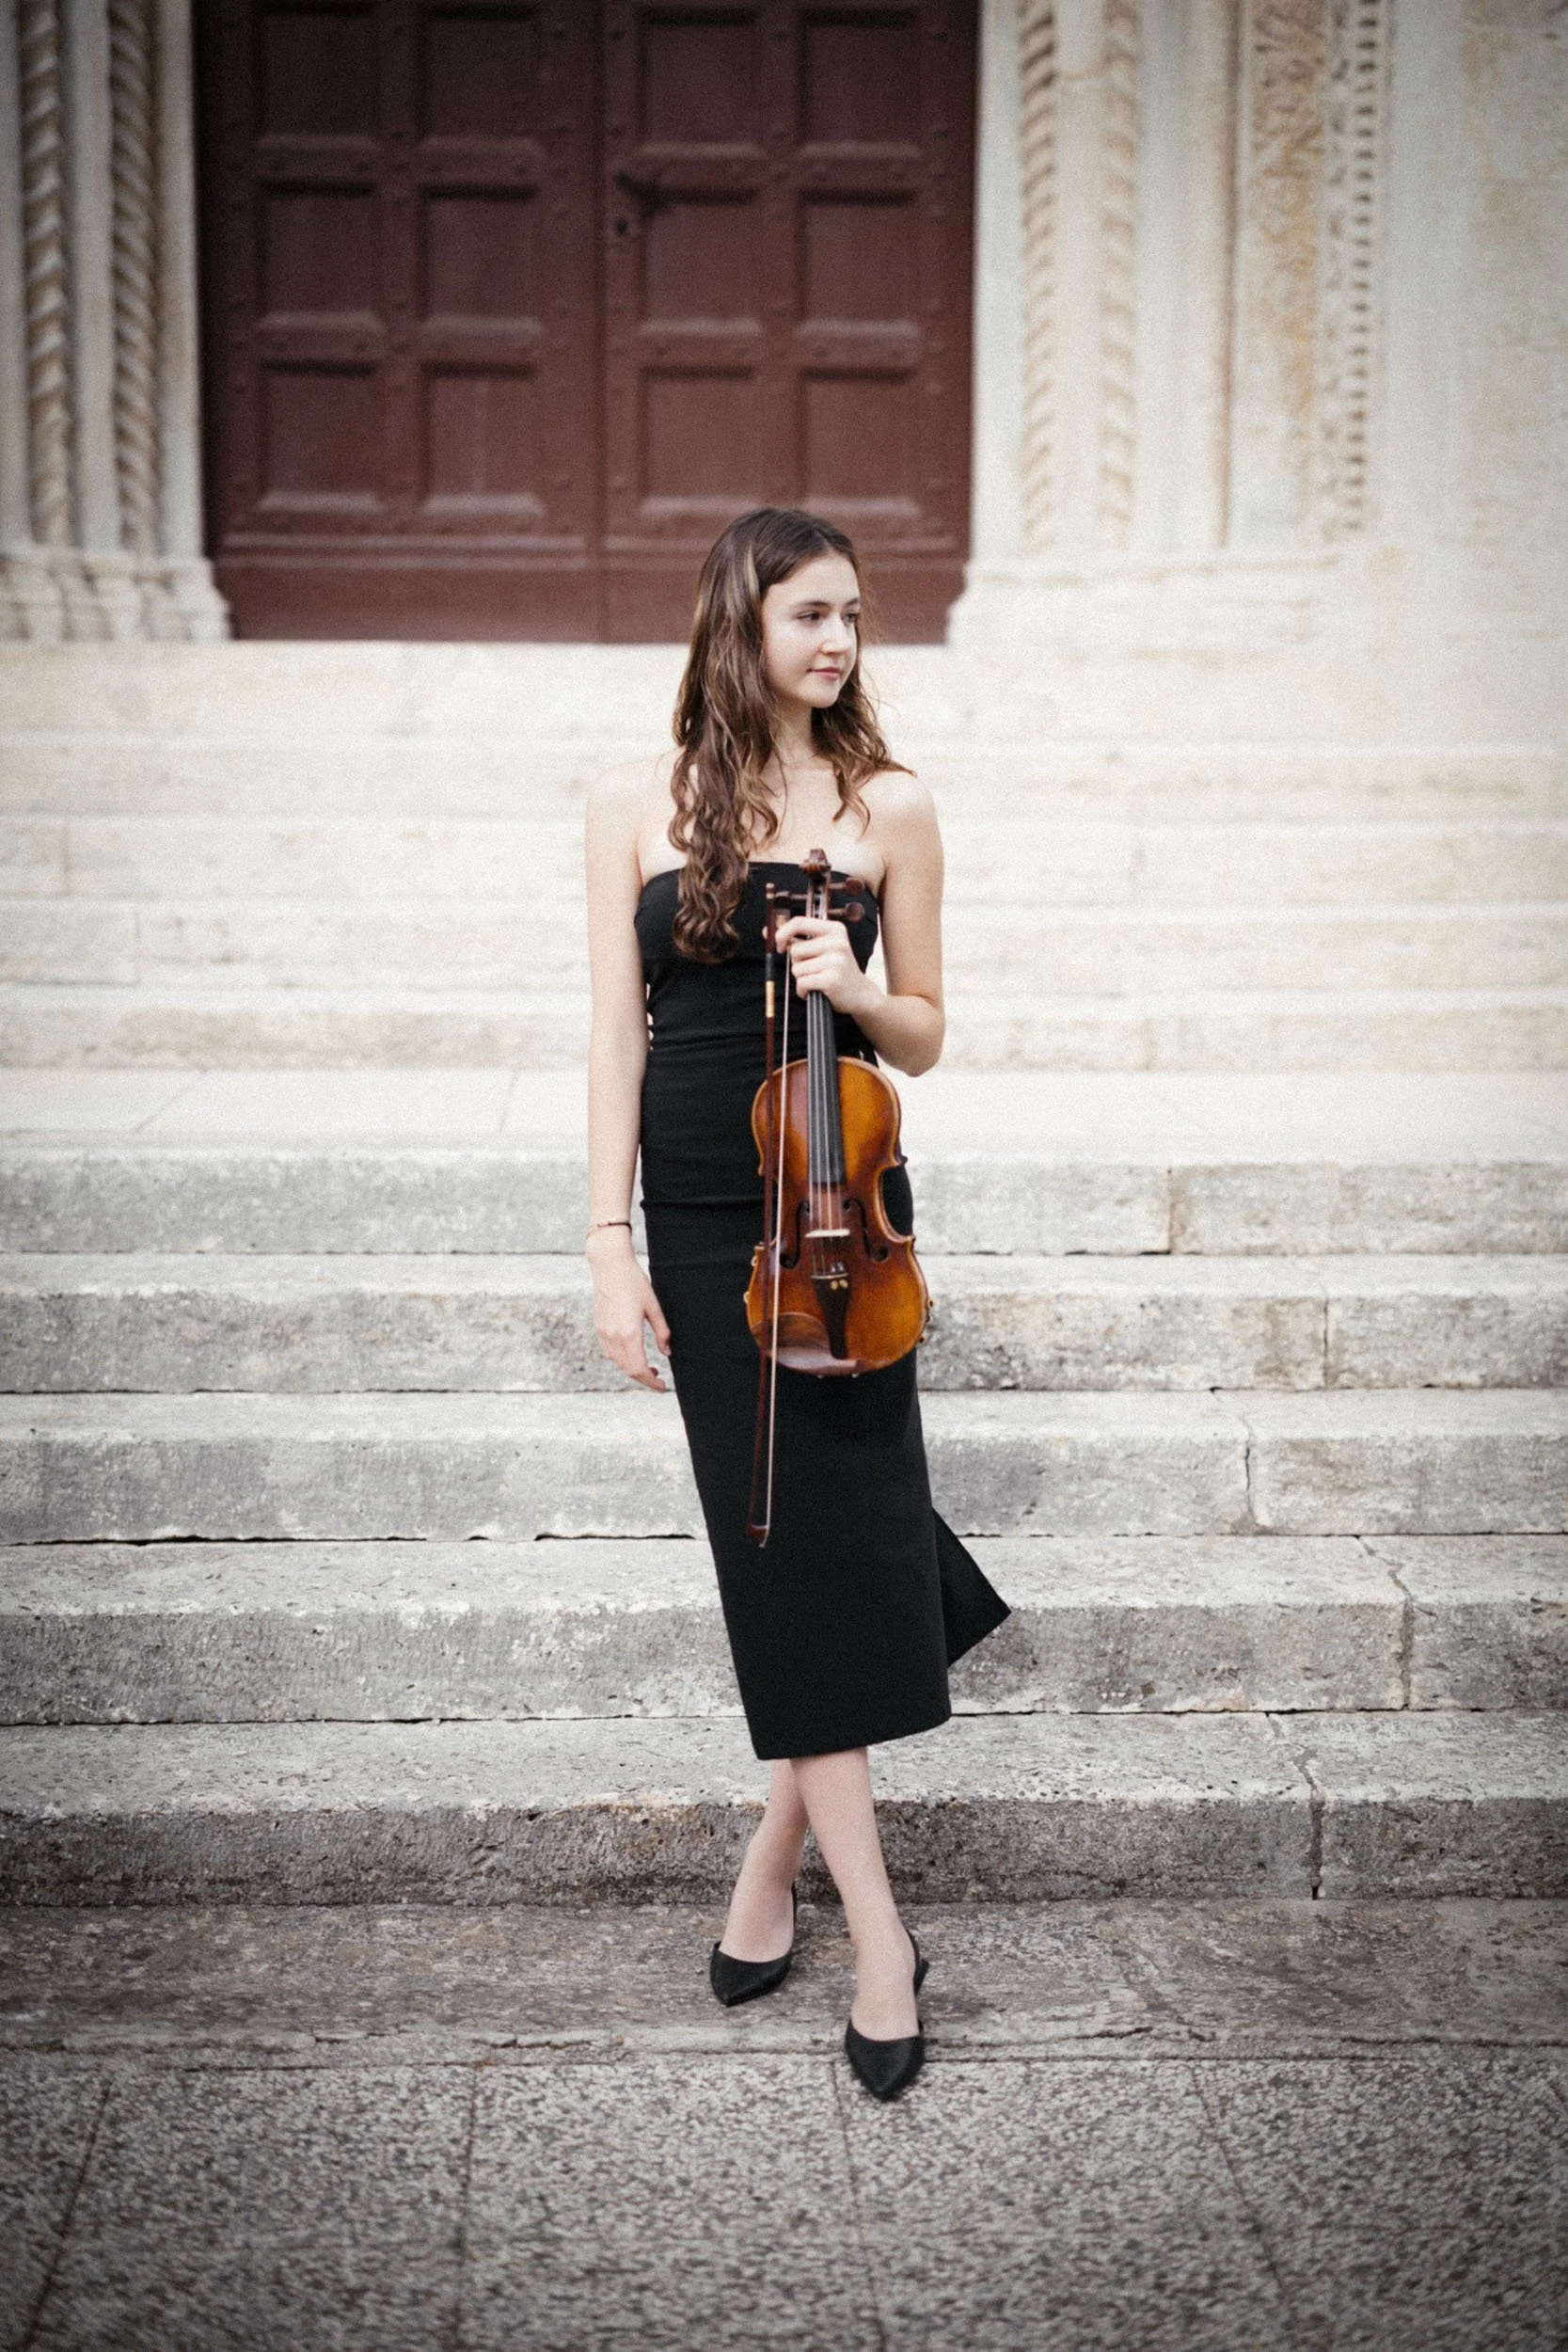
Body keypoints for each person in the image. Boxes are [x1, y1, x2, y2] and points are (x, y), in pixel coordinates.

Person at [584, 506, 1008, 2101]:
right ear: (739, 624)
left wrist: (852, 987)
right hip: (702, 1228)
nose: (838, 640)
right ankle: (871, 1930)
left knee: (813, 1555)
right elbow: (611, 1035)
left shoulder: (889, 806)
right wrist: (602, 1239)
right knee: (794, 1552)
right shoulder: (634, 802)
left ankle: (813, 1897)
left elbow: (928, 1035)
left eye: (852, 615)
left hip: (839, 1218)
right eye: (808, 614)